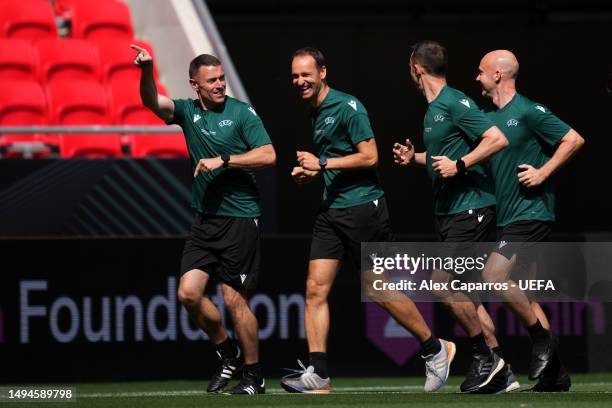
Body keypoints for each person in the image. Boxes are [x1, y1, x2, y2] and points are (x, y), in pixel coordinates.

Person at [281, 46, 455, 394]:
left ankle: (435, 348)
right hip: (331, 211)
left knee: (376, 288)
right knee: (315, 288)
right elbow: (333, 160)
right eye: (295, 76)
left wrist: (323, 165)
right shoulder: (314, 111)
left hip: (364, 210)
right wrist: (312, 173)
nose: (300, 81)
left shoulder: (347, 106)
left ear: (323, 73)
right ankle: (319, 373)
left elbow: (370, 157)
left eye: (306, 74)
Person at [131, 44, 276, 395]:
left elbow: (269, 155)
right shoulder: (187, 112)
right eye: (212, 80)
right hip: (205, 221)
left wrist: (224, 160)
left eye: (222, 78)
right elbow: (153, 102)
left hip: (240, 219)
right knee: (188, 294)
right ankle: (228, 352)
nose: (220, 85)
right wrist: (147, 70)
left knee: (233, 300)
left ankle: (254, 374)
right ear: (194, 84)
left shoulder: (243, 114)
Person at [392, 40, 516, 393]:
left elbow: (496, 138)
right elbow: (443, 157)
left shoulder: (454, 102)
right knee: (469, 300)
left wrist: (461, 164)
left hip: (471, 209)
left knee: (441, 283)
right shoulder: (433, 110)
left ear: (417, 68)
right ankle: (500, 370)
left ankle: (483, 356)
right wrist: (416, 158)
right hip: (450, 212)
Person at [476, 49, 584, 392]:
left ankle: (541, 338)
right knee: (527, 296)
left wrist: (543, 172)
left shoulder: (527, 110)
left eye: (480, 71)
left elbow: (573, 138)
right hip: (509, 216)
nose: (476, 77)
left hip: (531, 212)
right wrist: (416, 158)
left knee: (494, 275)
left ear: (497, 75)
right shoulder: (490, 118)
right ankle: (556, 375)